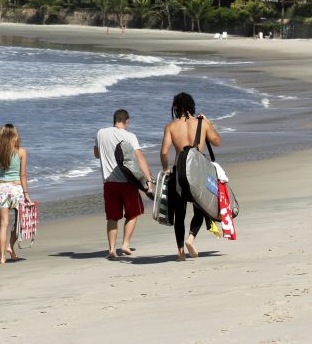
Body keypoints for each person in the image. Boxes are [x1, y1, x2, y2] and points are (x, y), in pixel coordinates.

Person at [160, 92, 221, 261]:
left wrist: (165, 169)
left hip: (179, 171)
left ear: (175, 107)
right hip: (198, 171)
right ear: (191, 106)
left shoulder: (171, 126)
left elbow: (164, 152)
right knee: (200, 208)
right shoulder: (201, 123)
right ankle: (191, 239)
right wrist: (208, 122)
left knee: (179, 212)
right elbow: (216, 141)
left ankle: (180, 253)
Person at [94, 109, 153, 259]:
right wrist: (149, 181)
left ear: (114, 120)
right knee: (133, 214)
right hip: (128, 182)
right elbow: (139, 159)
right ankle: (125, 244)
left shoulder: (101, 133)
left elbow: (96, 154)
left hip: (109, 183)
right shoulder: (130, 136)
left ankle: (112, 250)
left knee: (112, 217)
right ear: (127, 122)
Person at [0, 124, 32, 264]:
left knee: (3, 224)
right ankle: (10, 246)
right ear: (14, 136)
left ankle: (2, 257)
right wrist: (26, 194)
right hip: (17, 189)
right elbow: (23, 175)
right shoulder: (21, 152)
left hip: (2, 189)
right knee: (19, 223)